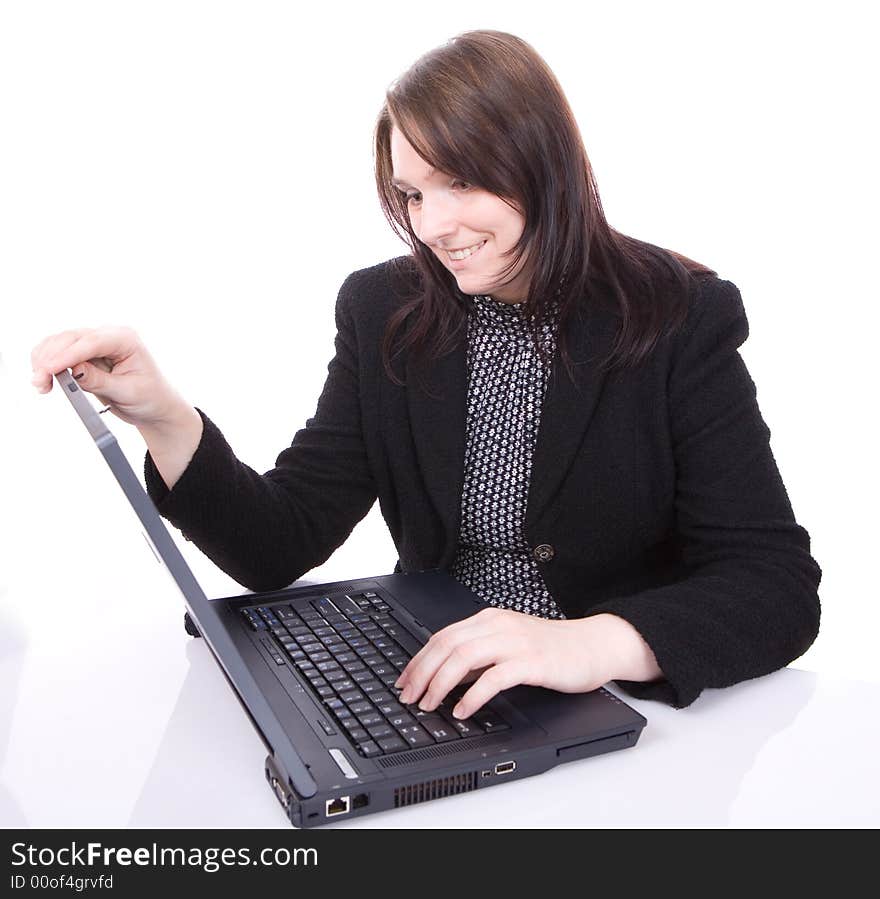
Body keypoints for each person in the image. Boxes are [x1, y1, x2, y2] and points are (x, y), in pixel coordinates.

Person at [30, 30, 821, 724]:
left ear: (542, 165)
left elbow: (776, 584)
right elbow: (282, 539)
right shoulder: (384, 308)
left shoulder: (677, 314)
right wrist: (163, 415)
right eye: (412, 193)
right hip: (436, 684)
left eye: (463, 183)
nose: (434, 225)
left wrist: (587, 643)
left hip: (615, 712)